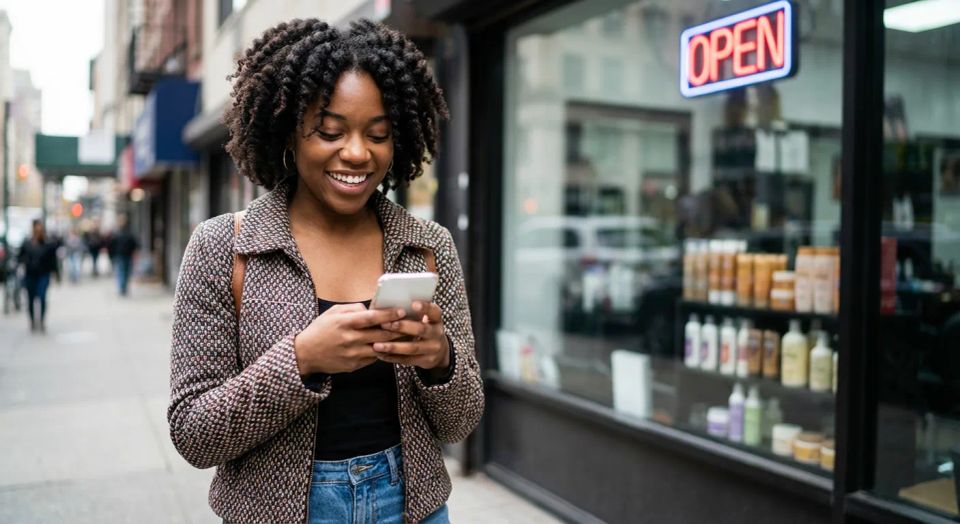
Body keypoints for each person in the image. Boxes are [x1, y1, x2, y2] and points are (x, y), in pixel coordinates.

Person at [168, 19, 483, 524]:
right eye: (331, 132)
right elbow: (193, 432)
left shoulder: (428, 246)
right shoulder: (223, 246)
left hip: (412, 508)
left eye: (377, 135)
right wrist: (302, 360)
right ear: (290, 131)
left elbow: (461, 422)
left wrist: (440, 361)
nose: (357, 153)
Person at [19, 219, 58, 332]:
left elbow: (53, 261)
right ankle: (32, 321)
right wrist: (25, 262)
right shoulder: (26, 243)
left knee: (42, 297)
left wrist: (55, 274)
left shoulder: (48, 244)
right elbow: (20, 257)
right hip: (30, 274)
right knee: (30, 299)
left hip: (43, 274)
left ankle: (41, 321)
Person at [110, 215, 139, 296]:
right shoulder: (118, 233)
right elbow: (112, 245)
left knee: (124, 272)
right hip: (121, 255)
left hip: (125, 255)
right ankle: (123, 288)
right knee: (123, 272)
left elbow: (134, 244)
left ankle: (123, 288)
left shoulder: (123, 233)